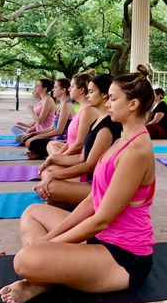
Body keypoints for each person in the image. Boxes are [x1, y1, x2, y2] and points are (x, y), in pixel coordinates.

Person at [0, 65, 156, 303]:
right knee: (32, 213)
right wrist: (49, 241)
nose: (109, 103)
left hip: (123, 256)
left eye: (113, 99)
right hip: (99, 238)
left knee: (24, 260)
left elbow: (101, 219)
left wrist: (50, 245)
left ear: (133, 104)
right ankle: (47, 272)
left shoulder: (137, 150)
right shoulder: (123, 138)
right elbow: (94, 198)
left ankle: (41, 278)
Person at [35, 74, 122, 207]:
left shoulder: (107, 127)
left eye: (91, 92)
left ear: (105, 94)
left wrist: (54, 175)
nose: (88, 95)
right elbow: (82, 158)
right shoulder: (98, 121)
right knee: (49, 171)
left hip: (96, 186)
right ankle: (62, 200)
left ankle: (64, 198)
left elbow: (89, 165)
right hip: (87, 177)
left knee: (50, 185)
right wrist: (52, 159)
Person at [44, 71, 97, 161]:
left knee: (47, 171)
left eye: (72, 86)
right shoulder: (82, 108)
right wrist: (57, 156)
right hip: (70, 151)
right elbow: (70, 141)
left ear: (81, 90)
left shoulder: (88, 111)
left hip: (77, 156)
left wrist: (58, 158)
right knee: (51, 145)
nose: (69, 89)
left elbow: (79, 145)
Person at [22, 79, 75, 159]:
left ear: (63, 90)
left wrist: (37, 137)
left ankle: (42, 153)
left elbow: (59, 131)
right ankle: (40, 153)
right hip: (54, 139)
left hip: (61, 142)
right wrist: (34, 134)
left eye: (55, 87)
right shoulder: (61, 104)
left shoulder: (66, 105)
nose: (53, 89)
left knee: (33, 143)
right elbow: (52, 128)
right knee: (31, 141)